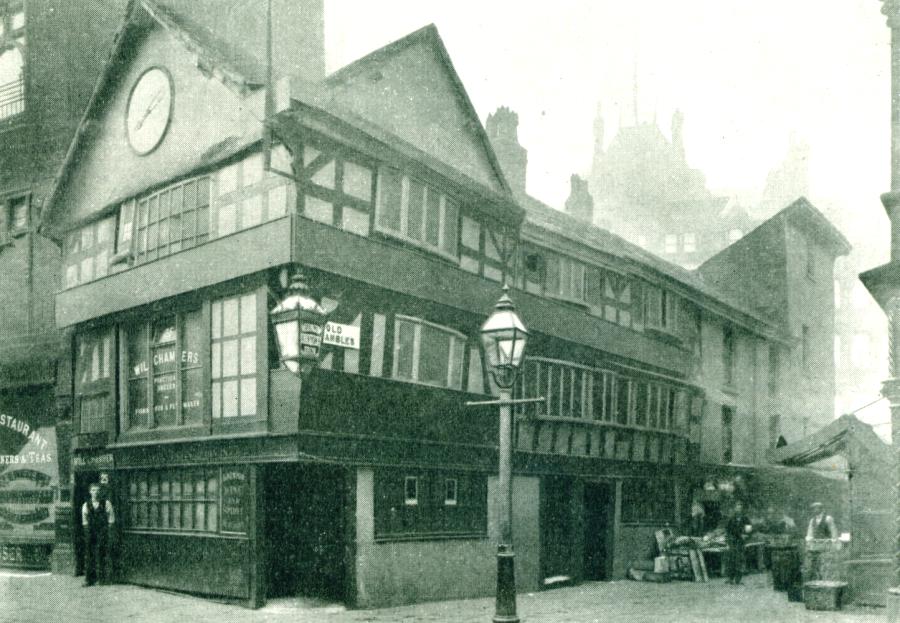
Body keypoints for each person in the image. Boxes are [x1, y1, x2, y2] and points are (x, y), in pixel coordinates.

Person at [81, 482, 115, 587]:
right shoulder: (86, 505)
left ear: (101, 492)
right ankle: (89, 579)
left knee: (102, 554)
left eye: (98, 490)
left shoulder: (106, 503)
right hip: (90, 532)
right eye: (94, 490)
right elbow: (85, 520)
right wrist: (87, 533)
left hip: (103, 531)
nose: (96, 493)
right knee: (89, 555)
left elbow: (111, 519)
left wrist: (108, 531)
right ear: (90, 492)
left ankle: (102, 579)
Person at [804, 501, 837, 581]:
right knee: (815, 565)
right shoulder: (812, 520)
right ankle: (816, 581)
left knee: (826, 565)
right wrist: (809, 542)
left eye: (817, 508)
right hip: (816, 546)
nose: (815, 510)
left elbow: (833, 532)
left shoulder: (828, 519)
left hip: (826, 546)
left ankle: (826, 580)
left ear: (821, 509)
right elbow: (810, 533)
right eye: (813, 508)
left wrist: (833, 542)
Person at [724, 501, 752, 585]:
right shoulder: (731, 519)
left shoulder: (745, 518)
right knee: (731, 559)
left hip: (741, 542)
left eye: (740, 508)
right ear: (734, 509)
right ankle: (730, 578)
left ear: (742, 509)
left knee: (740, 560)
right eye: (737, 507)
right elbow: (728, 530)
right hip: (733, 541)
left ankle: (738, 579)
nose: (739, 509)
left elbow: (749, 529)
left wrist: (747, 534)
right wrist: (728, 541)